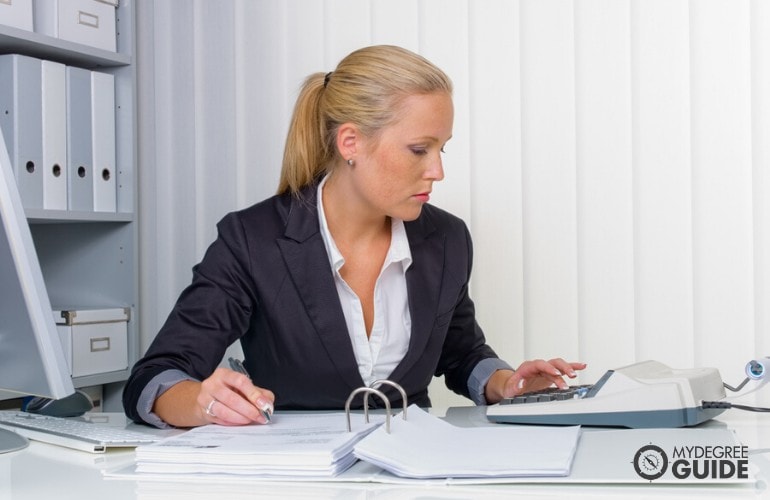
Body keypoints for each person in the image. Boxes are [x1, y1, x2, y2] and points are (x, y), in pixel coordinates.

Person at [123, 45, 585, 428]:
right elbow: (155, 378)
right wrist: (203, 402)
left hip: (414, 473)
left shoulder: (446, 239)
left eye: (441, 149)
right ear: (350, 143)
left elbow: (461, 352)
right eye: (419, 149)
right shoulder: (252, 239)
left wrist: (507, 383)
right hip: (297, 480)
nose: (438, 170)